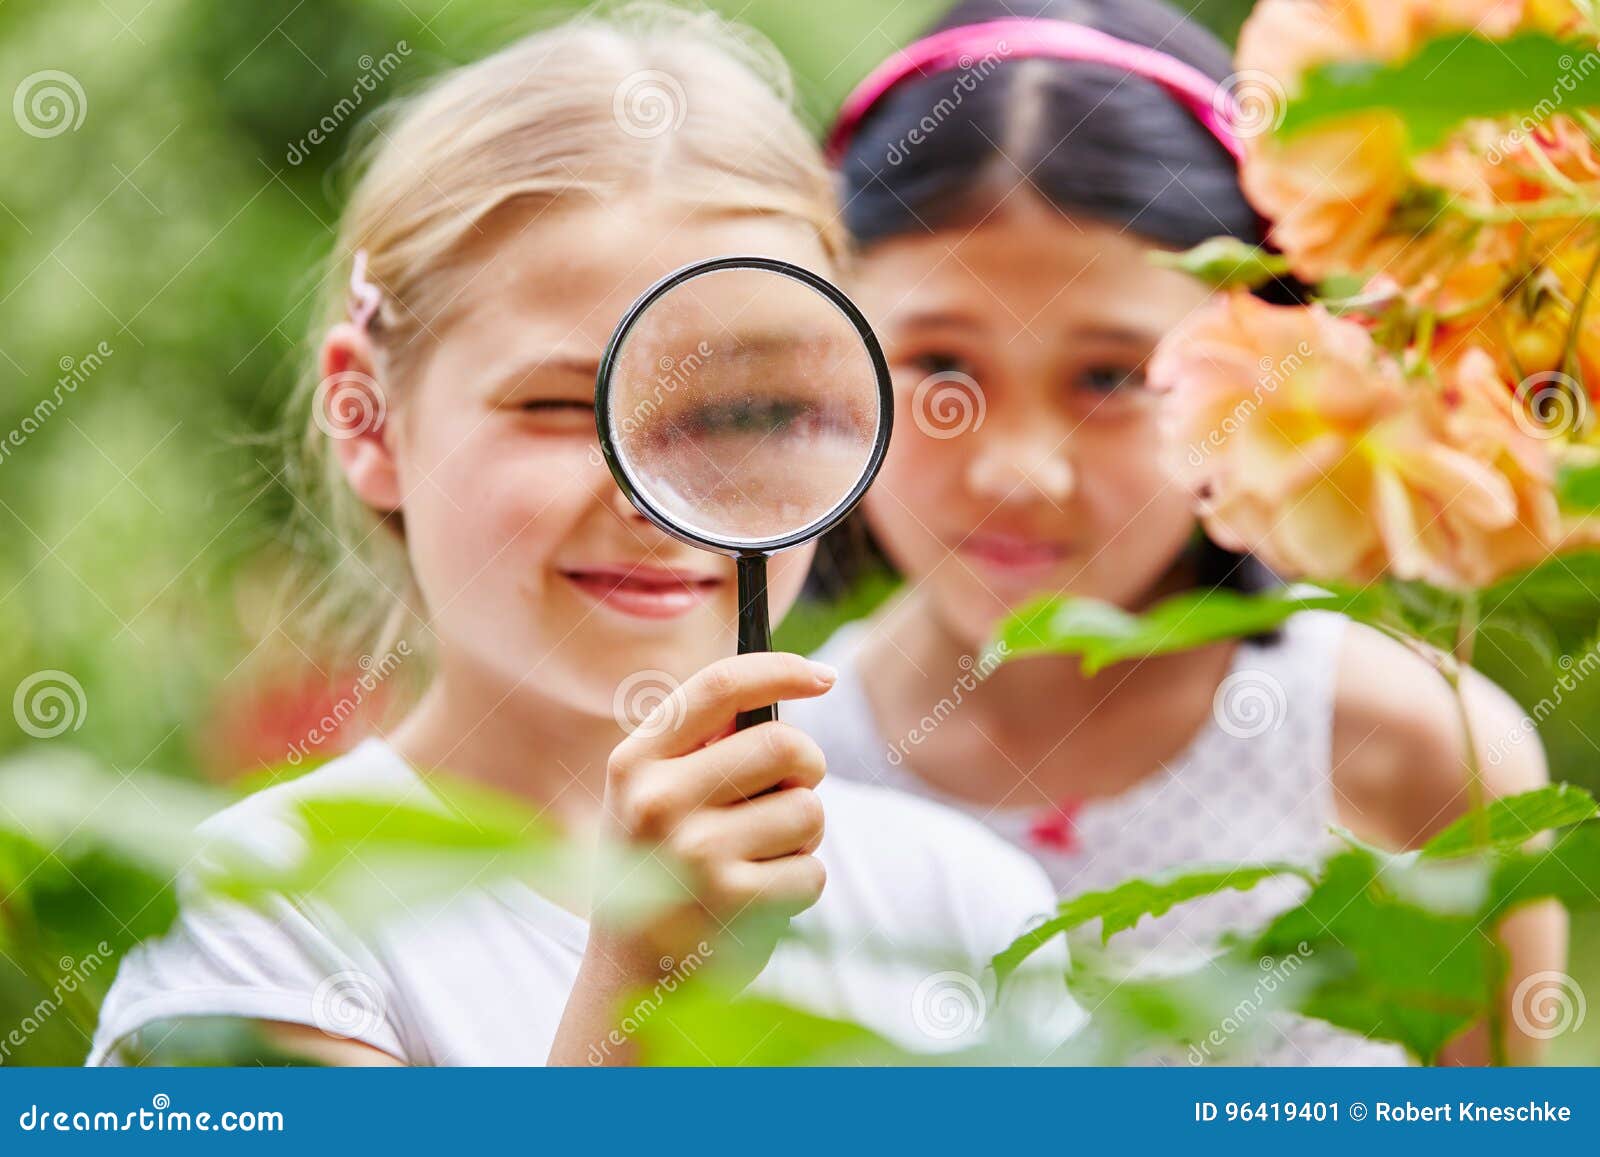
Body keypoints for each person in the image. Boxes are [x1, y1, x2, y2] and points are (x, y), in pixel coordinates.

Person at [86, 6, 1077, 1068]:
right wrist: (635, 996)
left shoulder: (965, 906)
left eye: (746, 412)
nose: (653, 495)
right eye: (563, 406)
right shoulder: (265, 912)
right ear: (368, 417)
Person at [788, 0, 1564, 1065]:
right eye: (940, 365)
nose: (1020, 467)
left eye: (1109, 376)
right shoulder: (773, 781)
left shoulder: (1416, 750)